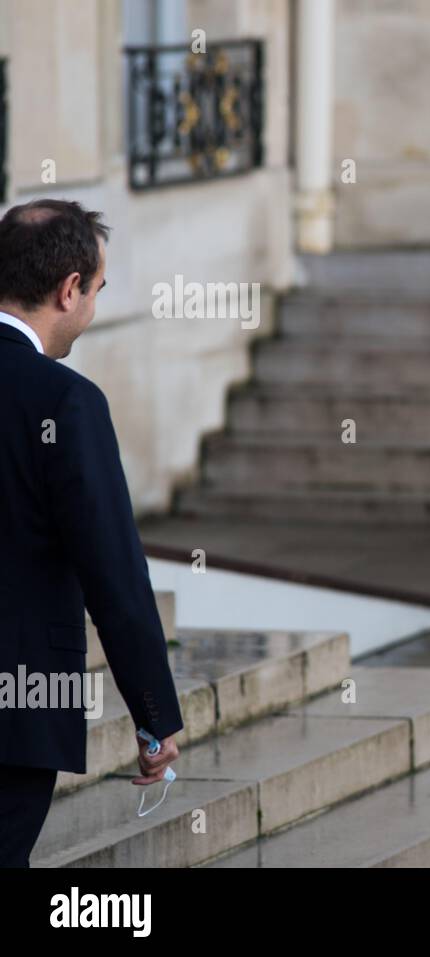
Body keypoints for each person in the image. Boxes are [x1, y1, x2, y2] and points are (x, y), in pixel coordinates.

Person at [0, 199, 184, 867]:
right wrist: (153, 714)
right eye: (98, 289)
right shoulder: (67, 401)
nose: (94, 305)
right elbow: (114, 574)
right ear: (68, 288)